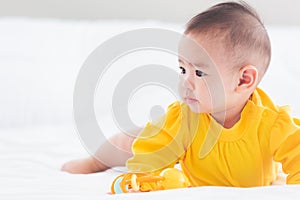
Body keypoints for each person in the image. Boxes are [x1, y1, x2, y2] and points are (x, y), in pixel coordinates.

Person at [62, 1, 300, 186]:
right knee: (132, 141)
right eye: (182, 69)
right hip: (173, 148)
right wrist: (142, 181)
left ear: (243, 80)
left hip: (259, 178)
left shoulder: (273, 124)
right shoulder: (183, 120)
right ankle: (93, 161)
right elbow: (148, 162)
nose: (185, 81)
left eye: (198, 73)